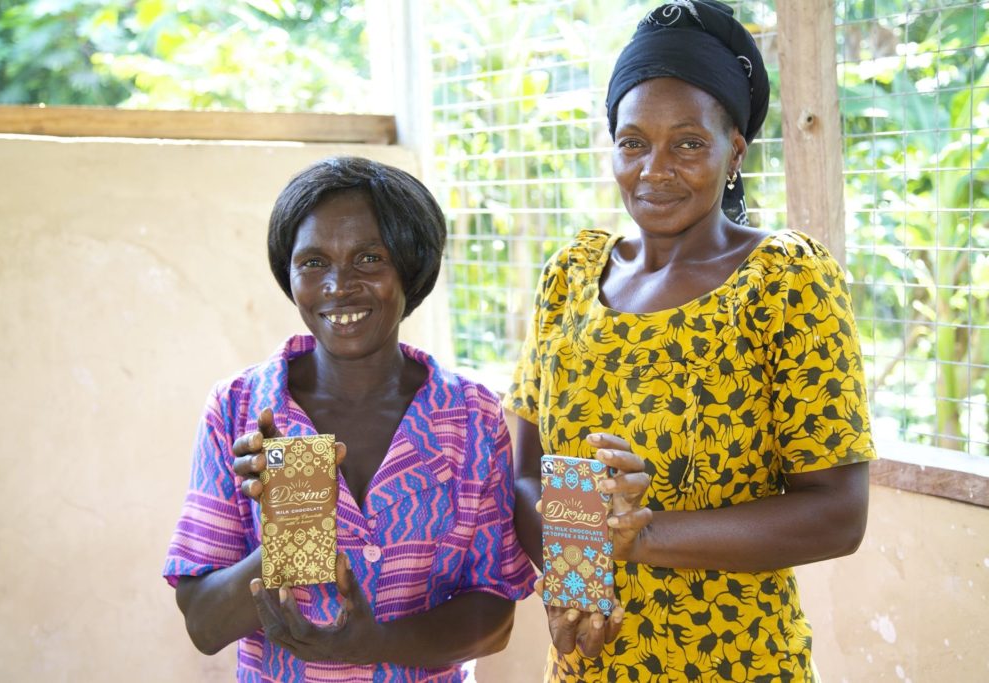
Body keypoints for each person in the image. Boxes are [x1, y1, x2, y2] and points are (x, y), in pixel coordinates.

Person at [506, 1, 876, 681]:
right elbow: (527, 469)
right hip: (592, 658)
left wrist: (644, 537)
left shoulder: (784, 280)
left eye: (688, 142)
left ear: (734, 149)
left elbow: (838, 512)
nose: (655, 168)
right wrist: (579, 579)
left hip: (739, 661)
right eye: (633, 141)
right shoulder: (570, 277)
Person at [163, 156, 537, 682]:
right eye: (314, 262)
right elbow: (204, 625)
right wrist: (293, 532)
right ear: (288, 274)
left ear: (410, 266)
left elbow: (494, 614)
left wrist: (376, 644)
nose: (339, 285)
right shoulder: (239, 410)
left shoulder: (470, 416)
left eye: (369, 258)